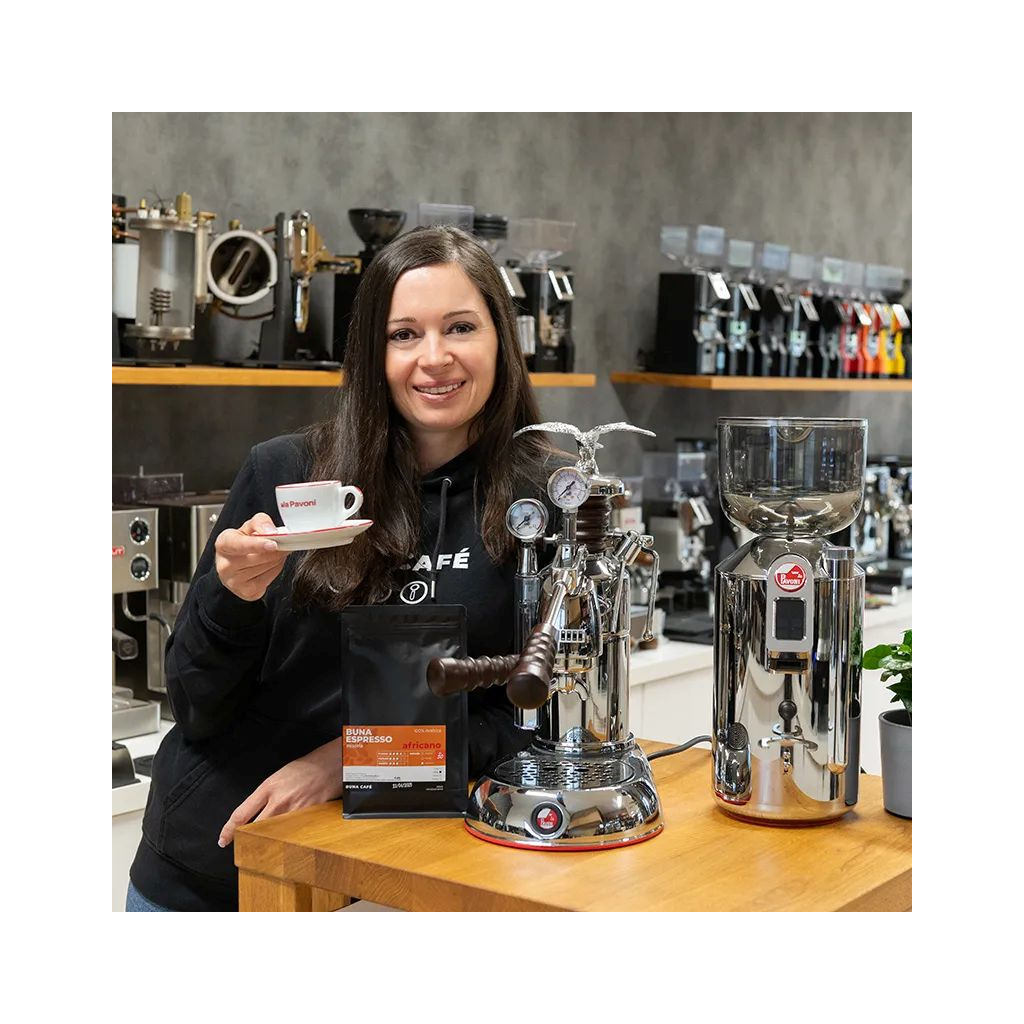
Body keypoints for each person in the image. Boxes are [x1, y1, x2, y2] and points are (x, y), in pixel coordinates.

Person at [127, 225, 564, 911]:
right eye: (403, 335)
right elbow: (194, 704)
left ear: (500, 340)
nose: (435, 358)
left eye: (459, 327)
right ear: (372, 353)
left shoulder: (545, 502)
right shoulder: (285, 473)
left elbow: (537, 723)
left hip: (410, 878)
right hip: (219, 872)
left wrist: (346, 760)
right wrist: (230, 599)